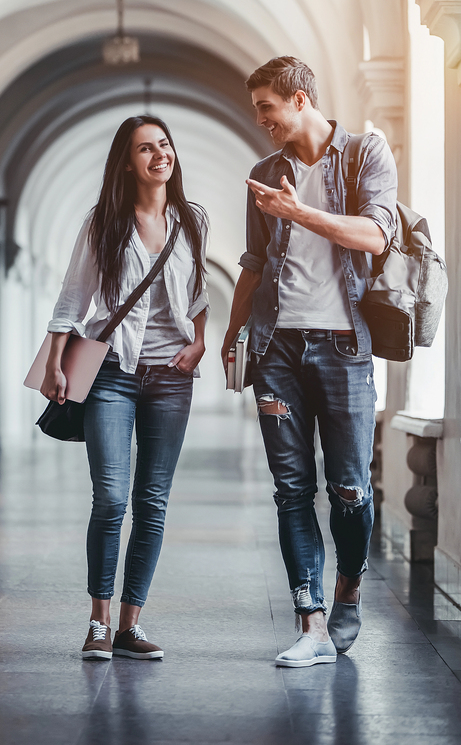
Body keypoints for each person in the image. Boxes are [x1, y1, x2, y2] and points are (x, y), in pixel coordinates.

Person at [222, 57, 398, 667]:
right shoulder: (264, 174)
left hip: (344, 347)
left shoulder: (364, 154)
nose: (261, 120)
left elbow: (376, 236)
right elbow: (254, 261)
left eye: (266, 107)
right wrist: (233, 331)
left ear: (299, 99)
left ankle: (348, 584)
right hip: (277, 350)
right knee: (292, 489)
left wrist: (298, 212)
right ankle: (312, 622)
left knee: (349, 488)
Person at [42, 116, 209, 661]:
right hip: (112, 370)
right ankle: (99, 621)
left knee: (152, 501)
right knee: (112, 498)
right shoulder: (104, 222)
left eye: (164, 144)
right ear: (127, 162)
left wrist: (200, 342)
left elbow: (199, 292)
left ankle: (130, 626)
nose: (160, 154)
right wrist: (55, 364)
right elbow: (73, 297)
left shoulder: (192, 220)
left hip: (172, 377)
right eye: (145, 148)